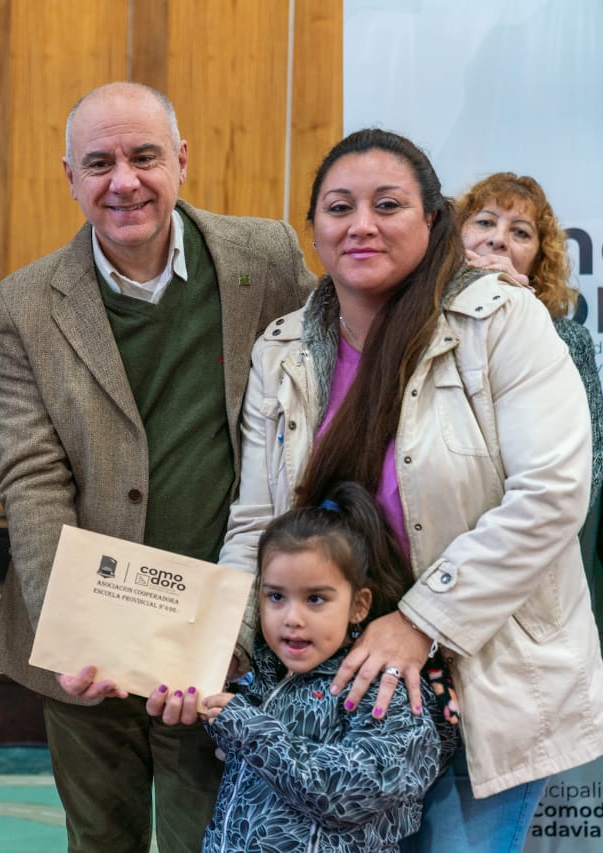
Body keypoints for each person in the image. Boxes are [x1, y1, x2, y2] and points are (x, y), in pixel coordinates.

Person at [220, 128, 603, 852]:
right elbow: (256, 524)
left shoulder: (503, 321)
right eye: (339, 207)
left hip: (479, 684)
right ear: (315, 230)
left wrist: (421, 620)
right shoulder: (282, 349)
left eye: (387, 204)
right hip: (332, 700)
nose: (361, 224)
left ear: (434, 221)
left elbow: (552, 492)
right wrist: (225, 644)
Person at [0, 81, 314, 852]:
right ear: (69, 176)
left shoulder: (264, 260)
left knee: (219, 837)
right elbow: (33, 478)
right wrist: (74, 634)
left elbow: (313, 412)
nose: (123, 181)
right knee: (102, 841)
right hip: (88, 657)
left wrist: (242, 631)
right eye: (98, 163)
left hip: (228, 638)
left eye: (143, 156)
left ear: (182, 161)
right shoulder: (23, 304)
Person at [149, 482, 448, 852]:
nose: (292, 618)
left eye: (316, 599)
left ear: (359, 605)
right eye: (276, 596)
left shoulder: (381, 689)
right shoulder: (260, 672)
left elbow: (346, 795)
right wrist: (201, 702)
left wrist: (247, 727)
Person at [456, 171, 603, 518]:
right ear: (455, 234)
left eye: (520, 232)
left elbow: (589, 467)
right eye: (485, 222)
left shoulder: (567, 338)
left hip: (532, 525)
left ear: (539, 260)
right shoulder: (417, 321)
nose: (498, 240)